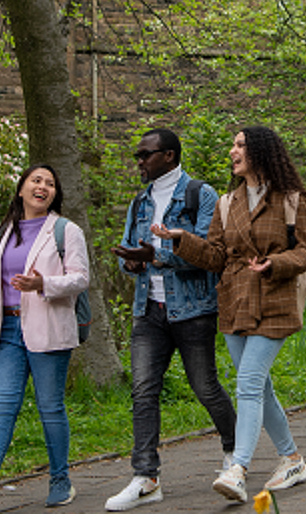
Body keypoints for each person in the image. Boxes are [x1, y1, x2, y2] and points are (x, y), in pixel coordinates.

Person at [151, 126, 306, 503]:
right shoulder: (227, 203)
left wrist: (275, 263)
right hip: (235, 302)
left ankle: (238, 469)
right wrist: (181, 240)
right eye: (233, 144)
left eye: (240, 145)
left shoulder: (292, 199)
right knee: (259, 386)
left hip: (275, 301)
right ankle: (292, 459)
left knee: (248, 382)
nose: (233, 151)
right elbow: (215, 257)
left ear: (261, 151)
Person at [105, 129, 237, 511]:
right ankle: (146, 477)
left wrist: (158, 256)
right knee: (143, 391)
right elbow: (129, 247)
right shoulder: (140, 201)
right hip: (149, 309)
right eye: (138, 155)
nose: (139, 161)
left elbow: (209, 254)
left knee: (205, 387)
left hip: (193, 310)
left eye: (145, 154)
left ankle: (235, 454)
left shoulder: (200, 195)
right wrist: (131, 262)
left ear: (169, 155)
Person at [0, 164, 89, 512]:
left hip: (48, 328)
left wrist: (43, 284)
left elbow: (80, 278)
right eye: (36, 181)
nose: (43, 187)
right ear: (22, 188)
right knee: (1, 407)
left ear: (55, 194)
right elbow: (2, 276)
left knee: (50, 408)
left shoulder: (66, 230)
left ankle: (60, 481)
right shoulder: (6, 231)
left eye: (50, 183)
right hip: (8, 329)